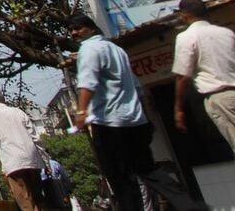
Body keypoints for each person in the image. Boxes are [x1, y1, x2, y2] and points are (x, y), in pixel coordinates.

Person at [67, 13, 206, 211]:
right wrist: (145, 117)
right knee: (148, 169)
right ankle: (188, 205)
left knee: (121, 179)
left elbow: (87, 83)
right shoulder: (116, 50)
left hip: (110, 123)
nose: (74, 33)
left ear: (91, 28)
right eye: (71, 30)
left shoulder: (88, 50)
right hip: (134, 121)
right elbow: (137, 86)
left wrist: (81, 113)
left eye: (78, 28)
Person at [171, 0, 235, 152]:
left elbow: (183, 75)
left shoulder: (186, 36)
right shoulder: (226, 33)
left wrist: (178, 108)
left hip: (220, 98)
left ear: (184, 14)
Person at [0, 87, 45, 211]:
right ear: (3, 98)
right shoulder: (18, 112)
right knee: (37, 199)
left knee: (25, 202)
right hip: (33, 160)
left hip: (13, 163)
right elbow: (36, 138)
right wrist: (45, 161)